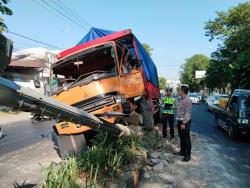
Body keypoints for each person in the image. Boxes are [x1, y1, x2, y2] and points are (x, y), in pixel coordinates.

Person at [174, 85, 192, 162]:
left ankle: (187, 155)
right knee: (181, 137)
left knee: (186, 138)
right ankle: (182, 151)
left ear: (183, 91)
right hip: (179, 121)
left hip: (185, 122)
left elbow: (188, 112)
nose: (178, 92)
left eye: (179, 90)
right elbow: (176, 107)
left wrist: (184, 123)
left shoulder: (188, 100)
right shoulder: (180, 99)